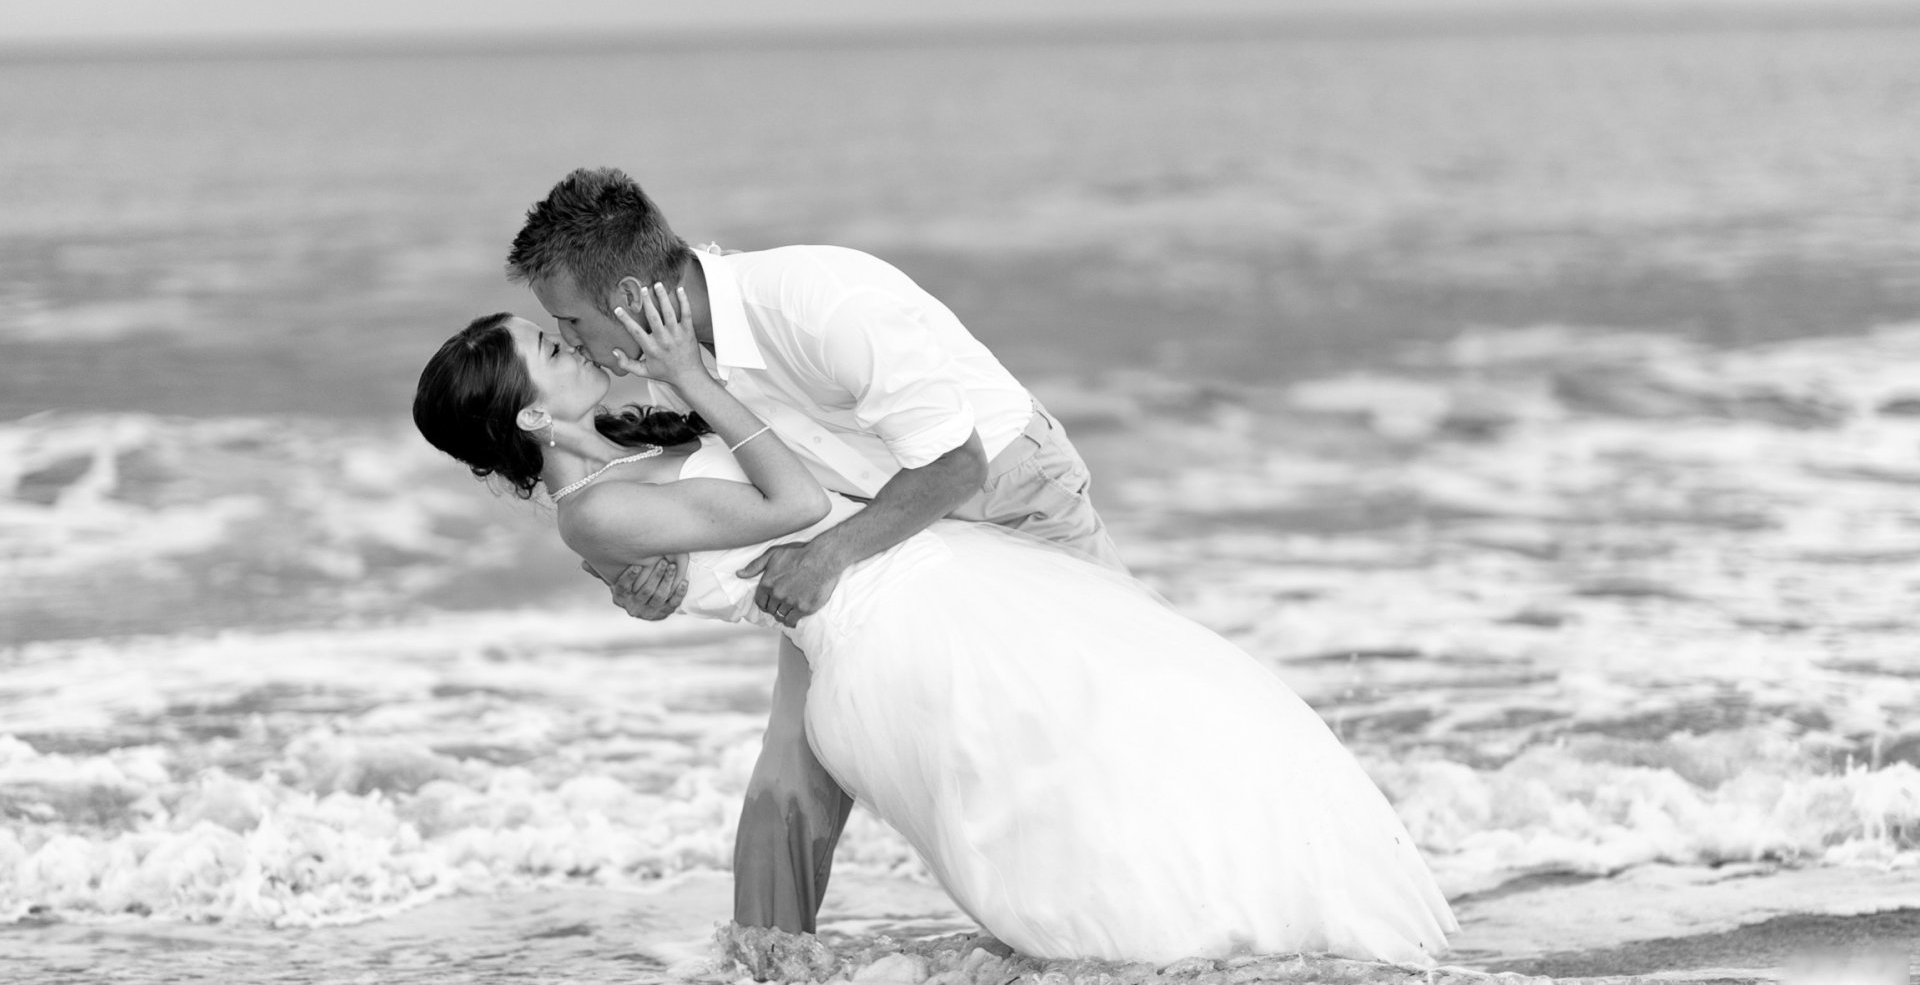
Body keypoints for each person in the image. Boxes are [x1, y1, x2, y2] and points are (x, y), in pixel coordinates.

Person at [411, 287, 1458, 964]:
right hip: (890, 633)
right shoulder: (596, 509)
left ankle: (1245, 926)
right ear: (531, 419)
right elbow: (793, 508)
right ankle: (1177, 940)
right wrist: (695, 382)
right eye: (552, 347)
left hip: (931, 584)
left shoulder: (627, 465)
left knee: (1130, 741)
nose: (575, 342)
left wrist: (690, 389)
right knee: (1064, 793)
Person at [502, 167, 1121, 934]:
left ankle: (1110, 927)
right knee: (794, 764)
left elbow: (957, 465)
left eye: (569, 323)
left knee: (1106, 713)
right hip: (867, 540)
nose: (573, 342)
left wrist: (825, 557)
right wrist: (642, 580)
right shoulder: (668, 363)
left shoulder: (818, 302)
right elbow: (701, 490)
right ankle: (766, 960)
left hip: (1013, 494)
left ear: (630, 297)